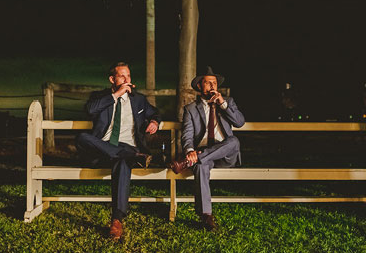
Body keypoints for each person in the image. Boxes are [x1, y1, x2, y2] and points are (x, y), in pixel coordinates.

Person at [76, 62, 160, 240]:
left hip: (128, 147)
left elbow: (155, 113)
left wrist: (154, 122)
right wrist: (116, 95)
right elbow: (90, 110)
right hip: (103, 150)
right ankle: (132, 156)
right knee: (82, 137)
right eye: (122, 76)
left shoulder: (139, 100)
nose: (126, 79)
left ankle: (116, 220)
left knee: (122, 162)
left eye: (128, 76)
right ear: (112, 79)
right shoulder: (100, 96)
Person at [170, 66, 245, 230]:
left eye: (215, 83)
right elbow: (187, 135)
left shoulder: (228, 102)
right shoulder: (191, 109)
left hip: (225, 155)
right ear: (199, 86)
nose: (212, 86)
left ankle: (194, 159)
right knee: (201, 165)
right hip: (203, 155)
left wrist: (223, 104)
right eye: (208, 82)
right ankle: (206, 216)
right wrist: (190, 151)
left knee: (234, 141)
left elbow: (240, 122)